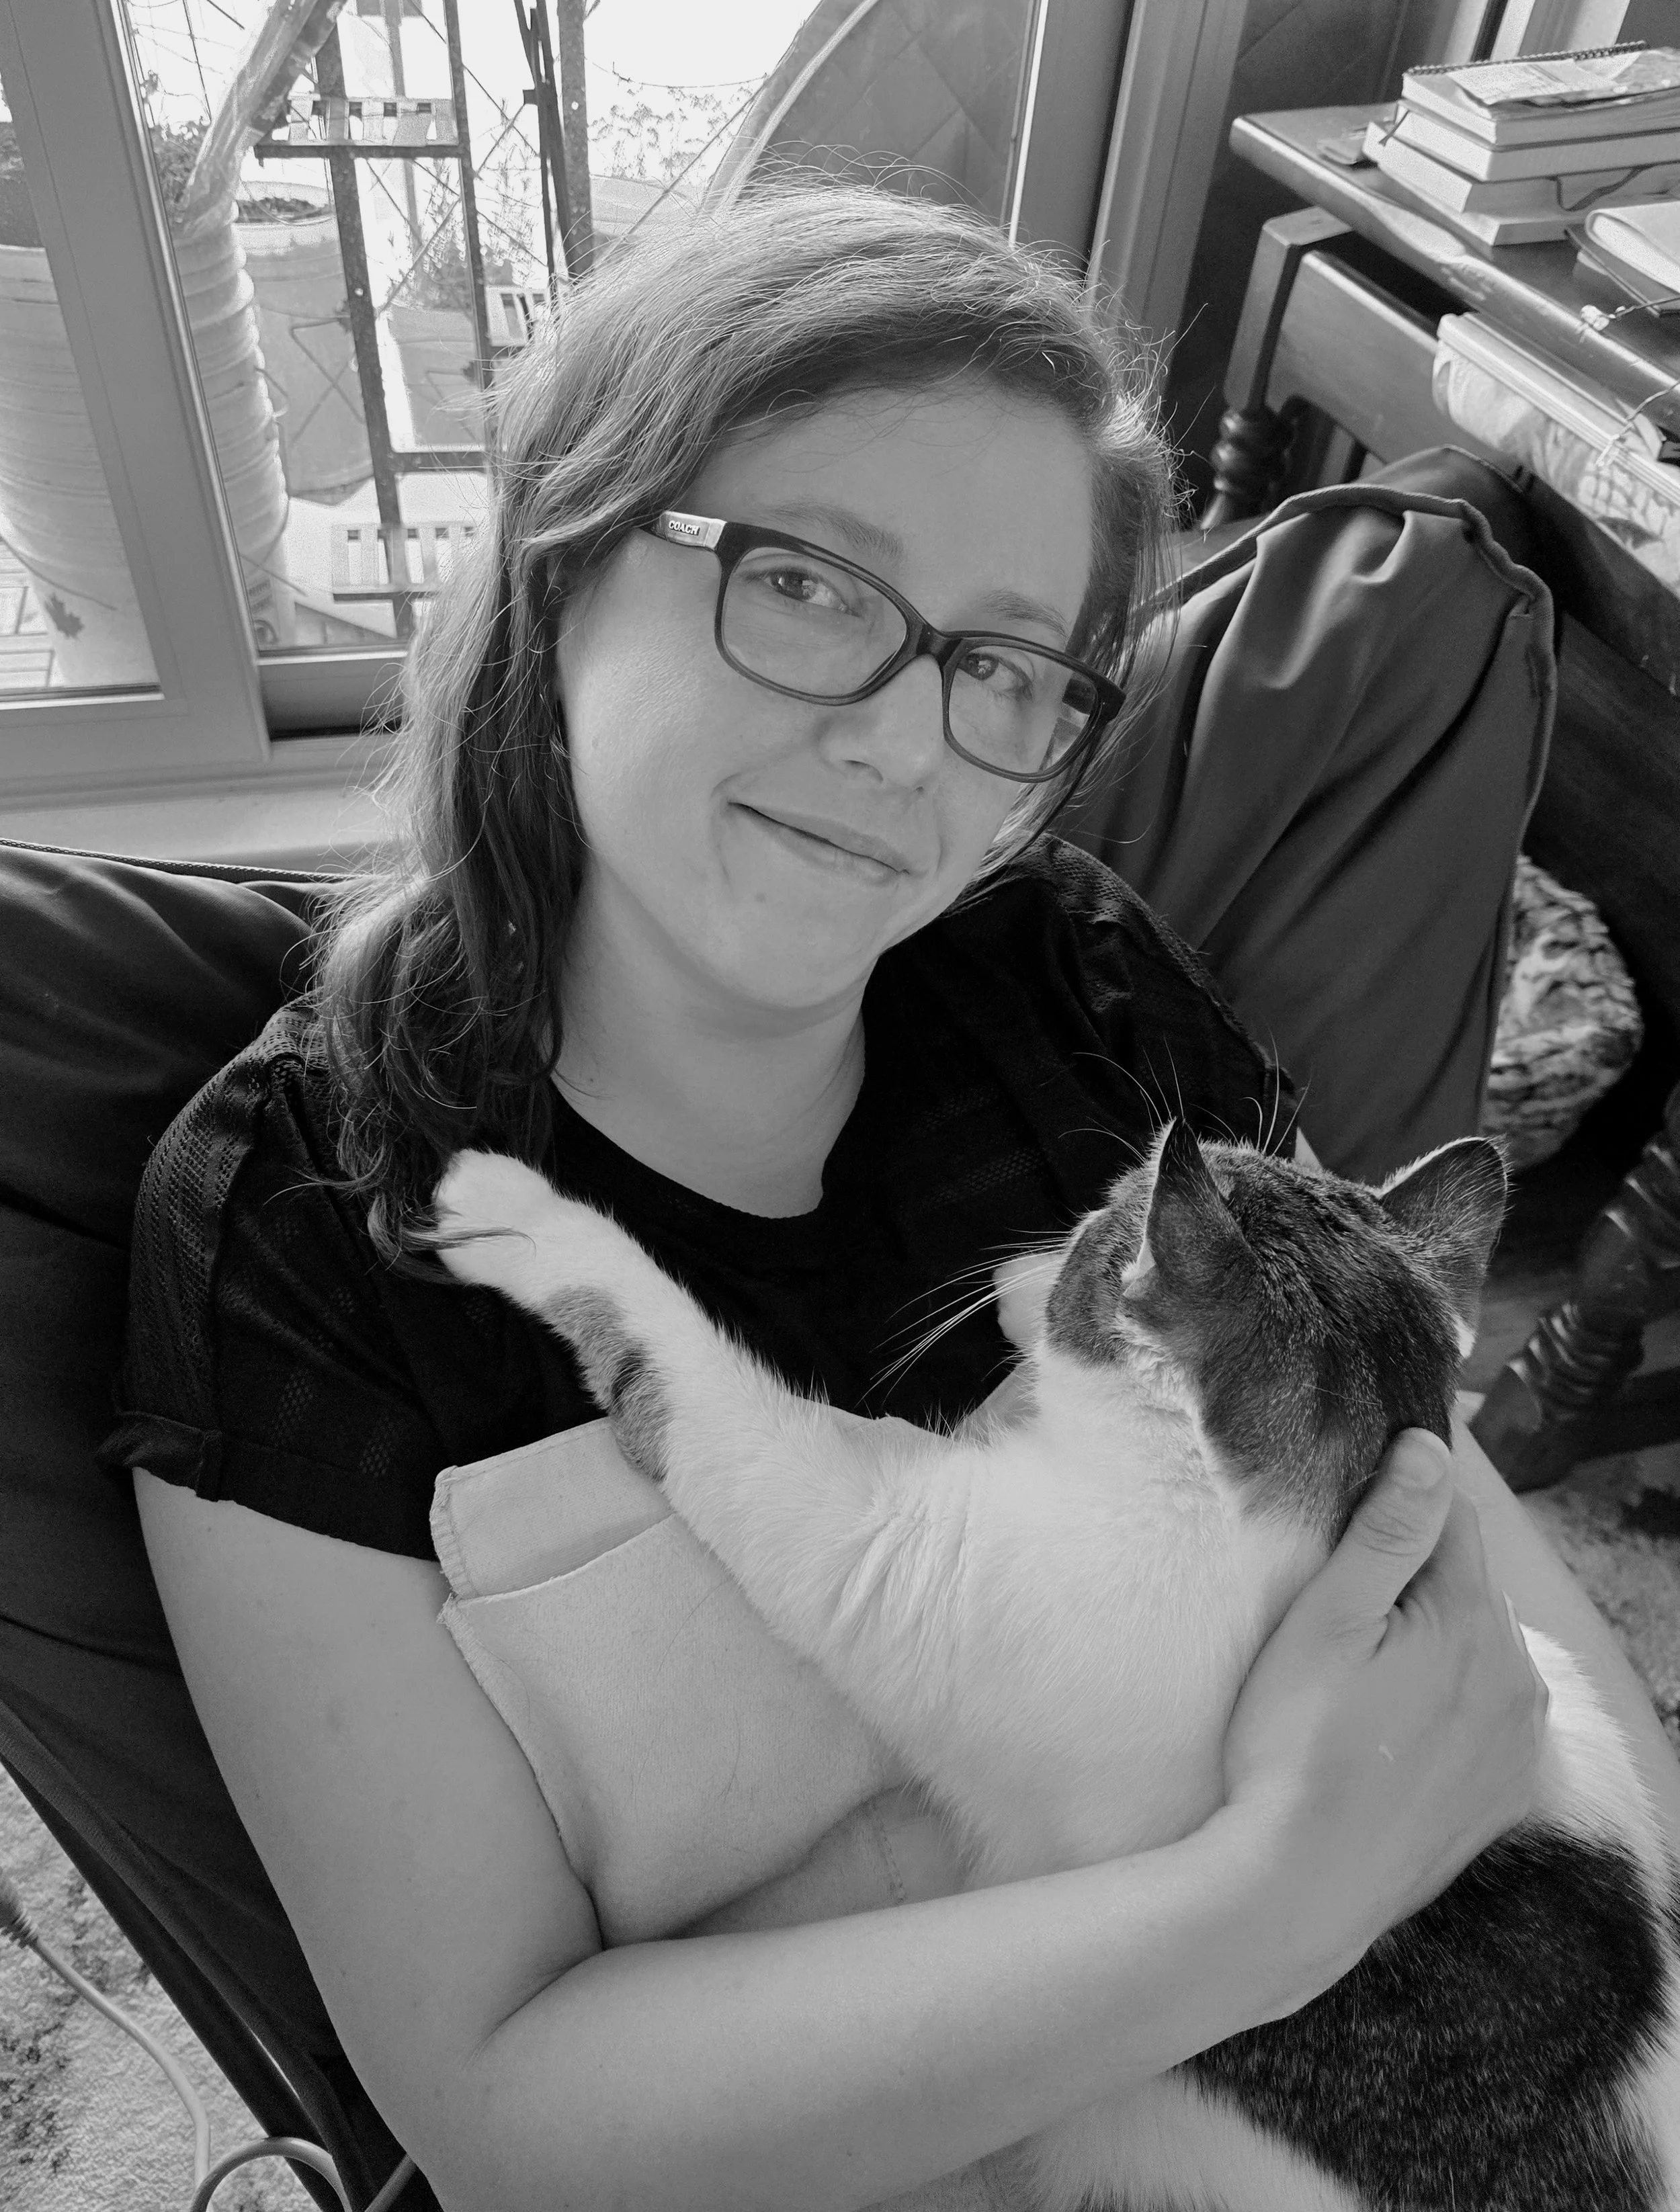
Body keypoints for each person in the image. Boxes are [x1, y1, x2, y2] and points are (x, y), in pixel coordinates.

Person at [103, 183, 1675, 2212]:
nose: (898, 745)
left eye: (1008, 665)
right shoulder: (299, 1232)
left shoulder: (1071, 983)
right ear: (567, 557)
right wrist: (1261, 1906)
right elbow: (504, 2111)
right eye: (809, 585)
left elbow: (1429, 1516)